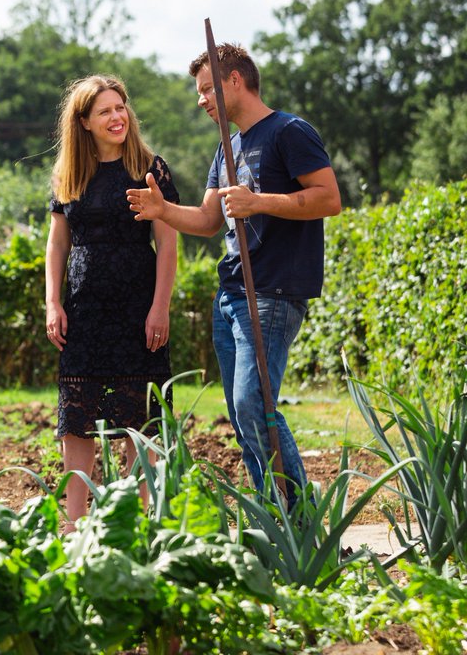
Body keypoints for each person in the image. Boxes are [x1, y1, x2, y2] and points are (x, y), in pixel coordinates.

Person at [127, 43, 341, 502]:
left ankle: (301, 522)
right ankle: (274, 520)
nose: (200, 100)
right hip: (230, 297)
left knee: (253, 404)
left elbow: (329, 198)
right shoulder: (228, 149)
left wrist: (259, 201)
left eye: (206, 89)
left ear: (235, 81)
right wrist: (163, 210)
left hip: (272, 291)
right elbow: (207, 220)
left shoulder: (290, 132)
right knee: (242, 413)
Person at [45, 74, 179, 526]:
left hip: (137, 309)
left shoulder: (149, 168)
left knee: (142, 422)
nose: (116, 117)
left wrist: (160, 307)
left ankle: (140, 523)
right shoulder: (69, 174)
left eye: (120, 107)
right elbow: (57, 245)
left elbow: (168, 244)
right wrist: (52, 303)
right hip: (83, 310)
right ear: (83, 121)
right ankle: (74, 525)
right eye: (104, 110)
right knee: (76, 420)